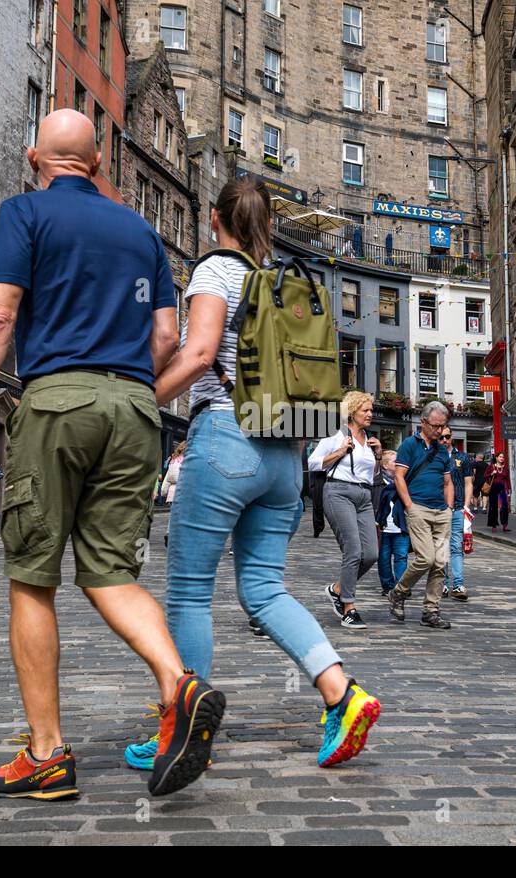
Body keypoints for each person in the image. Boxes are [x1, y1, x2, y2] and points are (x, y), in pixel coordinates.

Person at [0, 109, 222, 801]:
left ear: (34, 156)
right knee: (110, 572)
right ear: (98, 164)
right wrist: (124, 389)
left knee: (33, 576)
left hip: (56, 402)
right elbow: (166, 332)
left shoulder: (24, 213)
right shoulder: (140, 231)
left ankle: (46, 754)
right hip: (136, 409)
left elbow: (1, 315)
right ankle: (177, 685)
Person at [120, 176, 379, 776]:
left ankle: (181, 732)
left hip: (226, 438)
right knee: (263, 589)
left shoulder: (216, 272)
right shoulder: (287, 281)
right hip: (284, 453)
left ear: (216, 219)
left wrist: (140, 402)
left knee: (188, 590)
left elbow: (201, 352)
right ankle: (343, 694)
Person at [310, 390, 383, 629]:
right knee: (353, 550)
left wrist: (379, 455)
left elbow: (369, 475)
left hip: (364, 496)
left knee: (371, 553)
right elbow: (312, 462)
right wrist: (339, 452)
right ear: (352, 411)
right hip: (338, 492)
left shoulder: (369, 439)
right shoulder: (336, 433)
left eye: (371, 410)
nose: (370, 414)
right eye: (366, 410)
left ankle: (338, 589)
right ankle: (348, 607)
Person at [389, 401, 455, 629]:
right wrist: (410, 507)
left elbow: (448, 482)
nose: (440, 431)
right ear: (423, 422)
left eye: (443, 427)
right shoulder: (409, 445)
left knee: (440, 563)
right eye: (436, 426)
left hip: (441, 512)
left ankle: (431, 612)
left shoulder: (442, 450)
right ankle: (399, 592)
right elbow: (399, 477)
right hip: (418, 509)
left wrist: (449, 508)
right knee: (426, 558)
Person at [442, 431, 473, 601]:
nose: (444, 440)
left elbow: (468, 483)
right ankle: (443, 584)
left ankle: (458, 584)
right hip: (440, 509)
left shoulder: (462, 457)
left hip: (458, 508)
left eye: (447, 436)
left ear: (452, 437)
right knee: (441, 547)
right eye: (441, 437)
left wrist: (466, 507)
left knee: (456, 546)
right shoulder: (434, 457)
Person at [375, 450, 409, 596]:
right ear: (386, 465)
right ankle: (388, 586)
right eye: (395, 462)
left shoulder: (405, 481)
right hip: (383, 527)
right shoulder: (377, 483)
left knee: (401, 557)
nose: (398, 464)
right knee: (383, 558)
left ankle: (400, 588)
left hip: (401, 526)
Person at [485, 451, 510, 530]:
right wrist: (492, 473)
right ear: (496, 458)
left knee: (504, 505)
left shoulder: (505, 468)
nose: (502, 458)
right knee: (493, 506)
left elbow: (508, 480)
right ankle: (494, 525)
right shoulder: (491, 467)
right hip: (493, 487)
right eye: (500, 457)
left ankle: (504, 525)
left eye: (503, 457)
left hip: (502, 488)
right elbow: (485, 476)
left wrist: (509, 490)